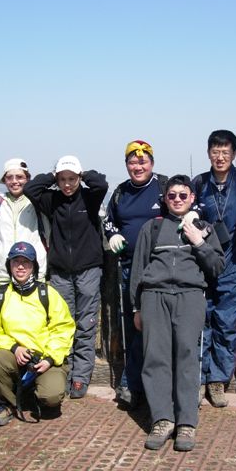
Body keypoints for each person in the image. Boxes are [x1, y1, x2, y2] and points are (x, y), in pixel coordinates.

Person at [130, 175, 224, 452]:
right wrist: (136, 307)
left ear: (192, 198)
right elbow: (138, 269)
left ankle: (186, 422)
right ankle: (162, 419)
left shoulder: (204, 228)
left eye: (183, 195)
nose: (178, 200)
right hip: (154, 297)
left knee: (187, 358)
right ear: (165, 199)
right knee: (155, 358)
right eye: (172, 195)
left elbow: (217, 267)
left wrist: (199, 243)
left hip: (189, 296)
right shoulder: (152, 227)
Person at [24, 155, 108, 398]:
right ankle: (64, 372)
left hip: (88, 269)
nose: (67, 184)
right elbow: (31, 189)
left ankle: (80, 377)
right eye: (63, 179)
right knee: (63, 324)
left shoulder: (89, 198)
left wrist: (82, 173)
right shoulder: (52, 200)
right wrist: (52, 176)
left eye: (72, 179)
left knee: (86, 324)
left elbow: (101, 184)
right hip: (61, 271)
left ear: (79, 177)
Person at [192, 129, 236, 407]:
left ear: (234, 154)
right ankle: (199, 377)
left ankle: (218, 380)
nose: (220, 157)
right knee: (201, 323)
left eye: (225, 152)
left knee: (226, 325)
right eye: (215, 151)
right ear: (208, 153)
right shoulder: (199, 183)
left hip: (233, 265)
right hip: (204, 266)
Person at [0, 241, 75, 426]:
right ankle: (6, 404)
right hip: (13, 357)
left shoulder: (48, 294)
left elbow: (63, 328)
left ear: (34, 266)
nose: (20, 266)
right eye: (16, 261)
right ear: (9, 265)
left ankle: (33, 394)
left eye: (26, 262)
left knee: (51, 397)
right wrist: (14, 348)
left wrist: (50, 359)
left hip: (45, 359)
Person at [103, 140, 167, 408]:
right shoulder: (121, 192)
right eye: (132, 162)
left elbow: (184, 211)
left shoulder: (164, 187)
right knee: (134, 326)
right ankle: (134, 383)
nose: (138, 166)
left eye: (143, 161)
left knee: (155, 327)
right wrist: (113, 235)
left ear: (152, 163)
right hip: (130, 268)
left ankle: (144, 382)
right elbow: (109, 221)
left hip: (161, 267)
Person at [0, 158, 48, 287]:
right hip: (3, 272)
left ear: (28, 179)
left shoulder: (36, 200)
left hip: (33, 268)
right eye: (10, 177)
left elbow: (48, 233)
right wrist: (0, 253)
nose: (15, 181)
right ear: (5, 180)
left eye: (20, 177)